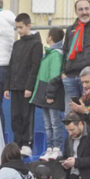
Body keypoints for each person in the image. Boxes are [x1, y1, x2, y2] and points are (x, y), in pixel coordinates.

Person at [7, 14, 43, 153]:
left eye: (21, 27)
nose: (19, 31)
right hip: (15, 86)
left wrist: (29, 87)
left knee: (26, 115)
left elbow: (35, 67)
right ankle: (17, 142)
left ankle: (27, 143)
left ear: (29, 26)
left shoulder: (36, 44)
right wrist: (7, 86)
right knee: (15, 116)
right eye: (17, 28)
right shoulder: (17, 44)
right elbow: (11, 65)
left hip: (26, 87)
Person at [33, 26, 67, 159]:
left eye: (47, 35)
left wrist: (50, 94)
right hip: (45, 94)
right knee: (47, 124)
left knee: (55, 122)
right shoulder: (49, 54)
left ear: (50, 37)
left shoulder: (56, 54)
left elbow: (54, 76)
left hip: (53, 96)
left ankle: (57, 148)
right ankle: (49, 148)